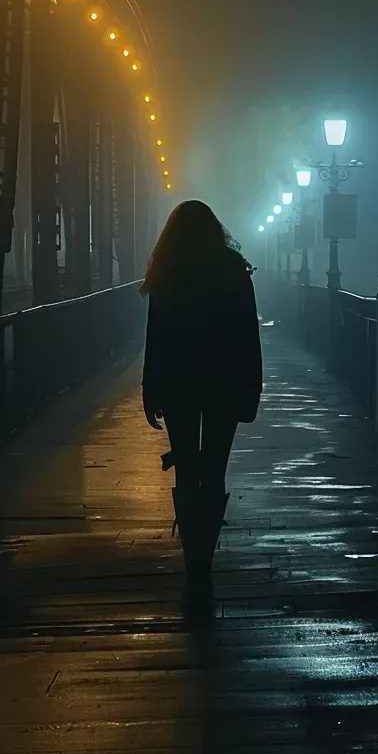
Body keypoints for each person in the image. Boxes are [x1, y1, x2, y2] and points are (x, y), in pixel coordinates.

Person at [140, 200, 263, 582]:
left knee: (187, 467)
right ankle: (205, 551)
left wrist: (150, 390)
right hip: (223, 384)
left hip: (178, 383)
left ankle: (192, 550)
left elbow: (155, 338)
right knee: (214, 468)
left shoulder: (167, 271)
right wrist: (251, 389)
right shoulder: (232, 269)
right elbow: (248, 334)